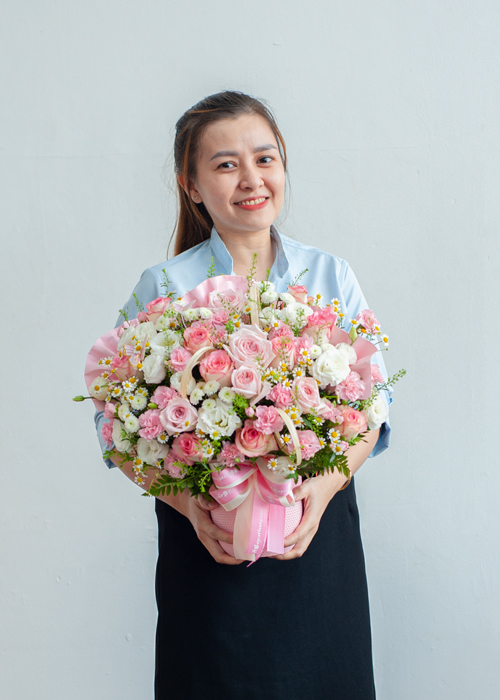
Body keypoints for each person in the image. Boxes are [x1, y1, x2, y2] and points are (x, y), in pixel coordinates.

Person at [94, 90, 391, 699]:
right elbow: (112, 424)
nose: (252, 178)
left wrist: (323, 489)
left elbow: (375, 406)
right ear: (192, 186)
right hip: (207, 541)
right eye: (227, 164)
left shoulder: (330, 276)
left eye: (265, 158)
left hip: (316, 532)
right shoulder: (163, 285)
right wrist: (186, 505)